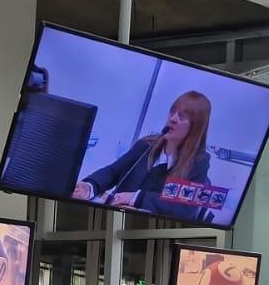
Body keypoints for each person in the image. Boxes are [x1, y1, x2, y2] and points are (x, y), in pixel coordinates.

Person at [73, 91, 213, 220]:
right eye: (172, 111)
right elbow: (113, 172)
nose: (173, 118)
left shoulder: (198, 163)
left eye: (181, 116)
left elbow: (185, 209)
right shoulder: (146, 145)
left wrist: (136, 198)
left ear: (195, 128)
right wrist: (90, 186)